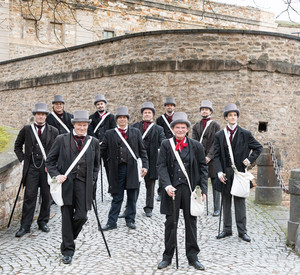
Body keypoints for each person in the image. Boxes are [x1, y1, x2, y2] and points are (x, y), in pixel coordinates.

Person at [46, 110, 100, 264]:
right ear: (74, 124)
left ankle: (68, 238)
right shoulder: (61, 140)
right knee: (67, 217)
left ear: (88, 126)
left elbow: (96, 165)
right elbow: (49, 162)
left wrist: (93, 179)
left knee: (82, 216)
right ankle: (68, 250)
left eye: (84, 125)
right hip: (66, 185)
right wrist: (57, 175)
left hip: (83, 184)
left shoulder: (93, 142)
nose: (82, 127)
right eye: (79, 124)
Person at [157, 112, 208, 270]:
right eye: (177, 127)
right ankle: (167, 256)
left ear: (187, 129)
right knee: (170, 223)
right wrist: (166, 185)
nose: (180, 130)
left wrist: (204, 190)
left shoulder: (196, 146)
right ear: (172, 129)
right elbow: (161, 166)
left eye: (183, 127)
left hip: (190, 190)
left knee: (191, 223)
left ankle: (193, 256)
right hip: (171, 190)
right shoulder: (166, 144)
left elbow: (203, 168)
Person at [214, 103, 262, 242]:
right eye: (230, 115)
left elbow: (258, 147)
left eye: (235, 115)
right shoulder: (219, 135)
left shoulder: (245, 134)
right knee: (226, 202)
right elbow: (216, 155)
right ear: (226, 118)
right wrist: (219, 172)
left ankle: (242, 231)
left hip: (240, 173)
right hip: (225, 173)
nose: (233, 117)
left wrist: (249, 159)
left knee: (240, 202)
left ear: (237, 118)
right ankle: (226, 229)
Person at [14, 103, 59, 237]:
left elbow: (57, 151)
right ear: (34, 115)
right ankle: (25, 225)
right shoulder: (27, 130)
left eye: (43, 114)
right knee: (29, 197)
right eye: (38, 114)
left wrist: (52, 166)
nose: (40, 116)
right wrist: (23, 160)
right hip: (31, 169)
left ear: (46, 116)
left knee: (46, 196)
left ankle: (43, 222)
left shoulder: (54, 131)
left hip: (46, 169)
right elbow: (17, 146)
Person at [101, 107, 148, 231]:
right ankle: (112, 222)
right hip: (117, 170)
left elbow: (142, 151)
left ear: (127, 119)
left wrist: (145, 166)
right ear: (117, 120)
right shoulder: (109, 133)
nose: (122, 120)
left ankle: (130, 220)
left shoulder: (135, 132)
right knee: (117, 197)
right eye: (120, 118)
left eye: (124, 118)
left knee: (132, 197)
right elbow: (102, 150)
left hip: (132, 169)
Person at [132, 102, 165, 217]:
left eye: (149, 113)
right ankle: (131, 207)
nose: (147, 114)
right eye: (145, 112)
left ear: (153, 115)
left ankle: (149, 207)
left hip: (152, 160)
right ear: (142, 114)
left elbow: (163, 142)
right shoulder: (135, 126)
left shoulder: (158, 129)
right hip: (138, 160)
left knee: (150, 186)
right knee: (134, 184)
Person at [192, 100, 221, 216]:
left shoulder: (216, 126)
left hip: (213, 160)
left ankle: (217, 208)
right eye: (202, 109)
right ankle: (199, 205)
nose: (204, 111)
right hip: (200, 159)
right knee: (200, 184)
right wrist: (200, 157)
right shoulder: (196, 126)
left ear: (210, 111)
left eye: (207, 109)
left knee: (215, 185)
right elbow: (194, 142)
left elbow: (216, 143)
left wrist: (209, 156)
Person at [156, 97, 176, 201]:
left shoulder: (177, 118)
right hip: (165, 146)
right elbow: (159, 133)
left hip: (176, 145)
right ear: (165, 107)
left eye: (171, 105)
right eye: (168, 105)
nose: (170, 107)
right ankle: (161, 191)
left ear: (174, 107)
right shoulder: (160, 119)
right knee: (162, 168)